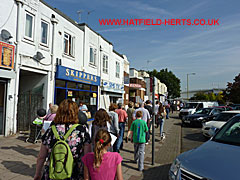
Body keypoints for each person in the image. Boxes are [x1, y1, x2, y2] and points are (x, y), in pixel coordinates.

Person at [34, 99, 91, 180]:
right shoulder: (82, 130)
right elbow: (87, 157)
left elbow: (41, 156)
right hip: (74, 173)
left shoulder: (51, 130)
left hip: (53, 173)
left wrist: (38, 173)